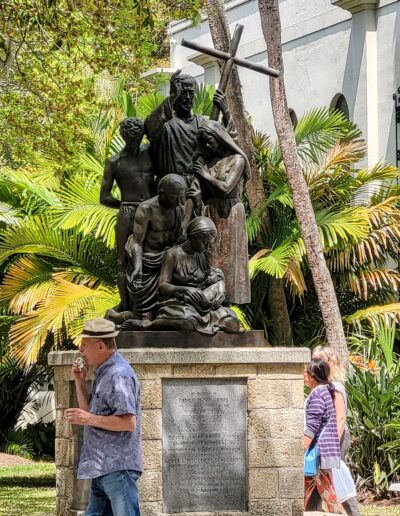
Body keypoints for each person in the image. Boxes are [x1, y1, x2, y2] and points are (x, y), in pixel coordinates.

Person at [65, 318, 142, 516]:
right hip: (101, 467)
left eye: (85, 345)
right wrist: (80, 383)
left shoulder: (119, 375)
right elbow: (90, 411)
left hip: (117, 467)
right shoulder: (104, 372)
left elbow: (128, 422)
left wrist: (87, 419)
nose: (81, 350)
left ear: (100, 346)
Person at [192, 119, 251, 304]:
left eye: (210, 139)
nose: (208, 145)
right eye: (205, 141)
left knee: (228, 260)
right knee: (210, 256)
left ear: (219, 137)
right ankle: (209, 301)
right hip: (210, 211)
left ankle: (227, 301)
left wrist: (205, 175)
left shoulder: (237, 159)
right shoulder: (208, 161)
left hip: (229, 212)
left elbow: (226, 188)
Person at [100, 117, 155, 311]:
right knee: (122, 259)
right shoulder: (115, 162)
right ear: (124, 136)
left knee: (151, 254)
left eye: (139, 136)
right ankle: (125, 304)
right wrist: (126, 205)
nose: (136, 140)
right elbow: (104, 197)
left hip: (151, 210)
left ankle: (148, 303)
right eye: (132, 137)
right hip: (128, 211)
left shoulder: (150, 153)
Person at [122, 174, 187, 323]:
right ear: (161, 192)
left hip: (165, 263)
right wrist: (138, 269)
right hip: (146, 261)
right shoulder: (146, 209)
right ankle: (117, 316)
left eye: (180, 197)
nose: (177, 202)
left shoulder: (177, 210)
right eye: (173, 197)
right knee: (144, 318)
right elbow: (137, 243)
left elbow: (176, 242)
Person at [312, 346, 361, 516]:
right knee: (317, 475)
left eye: (318, 359)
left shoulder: (335, 386)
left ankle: (353, 513)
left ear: (329, 363)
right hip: (326, 438)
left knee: (337, 477)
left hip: (335, 438)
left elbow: (340, 419)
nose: (314, 363)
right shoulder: (324, 386)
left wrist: (331, 444)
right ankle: (312, 510)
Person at [304, 358, 344, 514]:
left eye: (305, 372)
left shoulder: (318, 395)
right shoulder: (325, 392)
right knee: (304, 488)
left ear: (312, 375)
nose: (303, 376)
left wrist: (300, 449)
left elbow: (312, 427)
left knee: (328, 491)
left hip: (318, 451)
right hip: (322, 450)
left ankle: (338, 513)